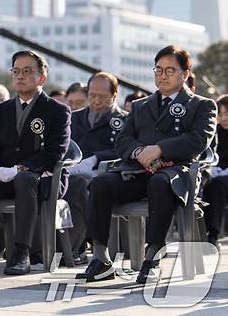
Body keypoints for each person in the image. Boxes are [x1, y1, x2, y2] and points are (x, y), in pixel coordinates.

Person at [79, 46, 216, 284]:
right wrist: (140, 151)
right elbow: (122, 141)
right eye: (159, 69)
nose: (162, 75)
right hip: (137, 171)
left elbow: (198, 140)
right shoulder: (141, 105)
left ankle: (152, 256)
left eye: (170, 70)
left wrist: (160, 149)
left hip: (175, 174)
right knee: (101, 184)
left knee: (160, 183)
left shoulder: (202, 105)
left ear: (184, 74)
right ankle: (101, 257)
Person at [0, 50, 71, 275]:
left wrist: (20, 168)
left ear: (41, 78)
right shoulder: (1, 110)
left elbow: (55, 153)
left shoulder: (57, 111)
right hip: (4, 176)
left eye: (27, 71)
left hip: (39, 178)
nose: (20, 76)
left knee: (25, 179)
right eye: (16, 71)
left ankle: (21, 252)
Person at [62, 72, 128, 264]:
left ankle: (76, 247)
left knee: (81, 186)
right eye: (92, 95)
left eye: (103, 96)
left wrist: (96, 158)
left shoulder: (125, 120)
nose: (96, 100)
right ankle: (50, 247)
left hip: (107, 175)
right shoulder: (73, 118)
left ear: (115, 95)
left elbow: (125, 149)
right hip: (72, 171)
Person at [203, 94, 228, 246]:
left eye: (227, 114)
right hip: (216, 174)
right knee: (206, 184)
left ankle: (213, 234)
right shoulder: (214, 132)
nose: (224, 118)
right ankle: (205, 232)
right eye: (221, 114)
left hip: (224, 179)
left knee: (218, 184)